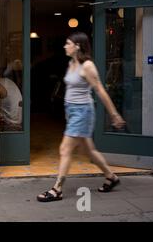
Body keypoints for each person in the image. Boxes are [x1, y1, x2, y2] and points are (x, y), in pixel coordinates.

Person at [37, 31, 126, 202]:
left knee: (65, 149)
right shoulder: (72, 63)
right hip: (72, 111)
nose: (65, 46)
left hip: (82, 111)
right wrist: (66, 110)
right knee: (90, 151)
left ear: (77, 46)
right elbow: (70, 89)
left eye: (67, 43)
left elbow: (99, 90)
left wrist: (114, 114)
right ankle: (111, 177)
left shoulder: (87, 66)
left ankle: (57, 189)